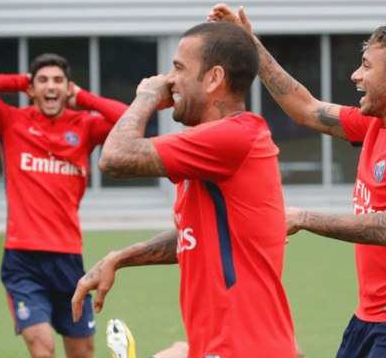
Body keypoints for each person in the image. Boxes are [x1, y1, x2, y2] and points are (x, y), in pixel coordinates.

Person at [209, 5, 386, 357]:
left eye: (367, 66)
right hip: (369, 316)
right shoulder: (376, 123)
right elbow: (305, 108)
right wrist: (249, 43)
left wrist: (303, 218)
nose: (356, 76)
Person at [71, 21, 297, 357]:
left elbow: (114, 157)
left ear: (213, 78)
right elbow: (191, 235)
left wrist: (145, 97)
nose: (169, 80)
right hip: (230, 345)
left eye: (178, 68)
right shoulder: (213, 147)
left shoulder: (233, 136)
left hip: (239, 347)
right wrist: (120, 258)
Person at [0, 53, 129, 357]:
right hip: (22, 261)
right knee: (42, 348)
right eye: (42, 81)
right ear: (31, 90)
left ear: (68, 88)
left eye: (58, 80)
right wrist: (22, 82)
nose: (50, 86)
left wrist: (83, 97)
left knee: (82, 352)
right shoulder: (11, 122)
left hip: (67, 258)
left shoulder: (83, 126)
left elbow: (128, 118)